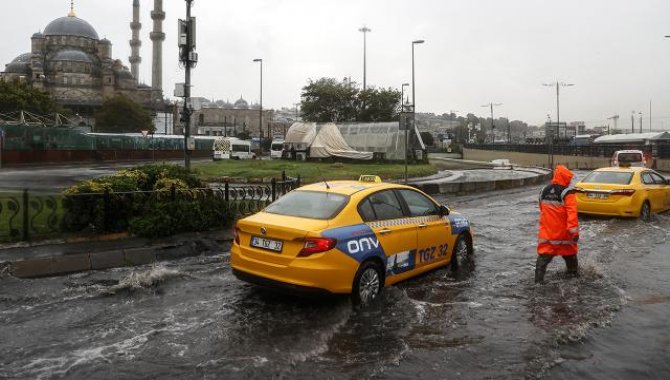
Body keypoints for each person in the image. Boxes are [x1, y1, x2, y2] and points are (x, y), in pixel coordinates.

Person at [535, 164, 579, 283]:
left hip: (547, 234)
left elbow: (542, 209)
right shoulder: (567, 192)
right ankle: (574, 278)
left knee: (542, 260)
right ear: (566, 178)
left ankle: (538, 283)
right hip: (565, 235)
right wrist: (574, 231)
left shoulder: (544, 191)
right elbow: (572, 213)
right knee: (571, 259)